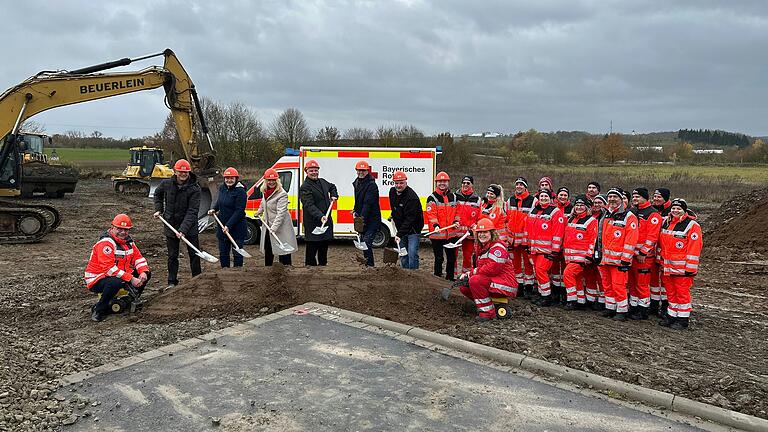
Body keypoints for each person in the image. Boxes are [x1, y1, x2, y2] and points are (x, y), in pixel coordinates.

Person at [84, 214, 150, 322]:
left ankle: (128, 299)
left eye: (126, 230)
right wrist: (131, 279)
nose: (123, 232)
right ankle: (99, 309)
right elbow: (109, 269)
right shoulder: (106, 243)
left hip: (118, 274)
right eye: (119, 229)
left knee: (146, 274)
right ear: (112, 227)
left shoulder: (128, 242)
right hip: (97, 278)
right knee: (115, 282)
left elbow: (138, 258)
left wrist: (143, 272)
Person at [153, 159, 202, 290]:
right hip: (170, 224)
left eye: (185, 172)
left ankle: (197, 279)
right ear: (175, 171)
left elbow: (193, 211)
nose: (183, 174)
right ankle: (172, 281)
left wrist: (183, 229)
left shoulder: (195, 189)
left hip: (189, 227)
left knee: (194, 254)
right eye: (180, 172)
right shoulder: (167, 184)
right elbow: (157, 194)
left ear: (188, 172)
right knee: (172, 255)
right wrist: (159, 209)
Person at [457, 218, 517, 323]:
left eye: (485, 232)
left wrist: (471, 273)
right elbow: (481, 267)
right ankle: (487, 306)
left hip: (505, 283)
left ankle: (488, 313)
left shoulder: (498, 248)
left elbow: (492, 269)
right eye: (480, 232)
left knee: (475, 281)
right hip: (495, 281)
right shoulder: (483, 247)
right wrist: (467, 274)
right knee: (464, 286)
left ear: (492, 233)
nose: (482, 235)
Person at [658, 198, 702, 330]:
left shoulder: (692, 225)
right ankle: (672, 316)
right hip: (667, 267)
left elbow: (694, 248)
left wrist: (690, 268)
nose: (675, 211)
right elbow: (662, 245)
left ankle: (682, 319)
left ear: (684, 210)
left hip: (683, 269)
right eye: (673, 208)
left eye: (678, 209)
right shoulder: (666, 222)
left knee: (682, 294)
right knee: (671, 293)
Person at [597, 187, 639, 321]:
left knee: (618, 286)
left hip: (619, 261)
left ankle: (622, 310)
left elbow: (631, 239)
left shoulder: (629, 216)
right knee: (607, 285)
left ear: (621, 199)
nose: (612, 199)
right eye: (610, 197)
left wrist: (626, 259)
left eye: (615, 197)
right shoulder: (606, 214)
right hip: (605, 259)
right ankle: (610, 307)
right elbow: (600, 236)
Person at [525, 189, 565, 307]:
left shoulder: (555, 212)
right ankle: (542, 294)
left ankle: (546, 297)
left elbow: (558, 232)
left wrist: (555, 250)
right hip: (534, 249)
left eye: (546, 196)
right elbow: (527, 228)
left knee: (541, 270)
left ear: (551, 198)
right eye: (541, 196)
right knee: (537, 271)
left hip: (547, 250)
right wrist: (528, 245)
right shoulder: (534, 210)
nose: (543, 198)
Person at [628, 188, 661, 320]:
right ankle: (634, 307)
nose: (635, 198)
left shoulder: (652, 214)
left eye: (638, 196)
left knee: (642, 284)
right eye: (634, 196)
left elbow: (652, 237)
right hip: (631, 255)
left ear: (645, 198)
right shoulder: (632, 212)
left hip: (643, 257)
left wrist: (643, 252)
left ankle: (643, 310)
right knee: (632, 283)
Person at [299, 160, 338, 266]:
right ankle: (310, 268)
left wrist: (334, 195)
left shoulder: (322, 182)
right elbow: (309, 205)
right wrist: (320, 216)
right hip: (313, 223)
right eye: (311, 170)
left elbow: (332, 186)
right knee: (312, 248)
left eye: (316, 170)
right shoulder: (305, 187)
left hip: (325, 221)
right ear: (306, 171)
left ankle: (322, 266)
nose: (314, 172)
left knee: (324, 246)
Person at [562, 195, 598, 310]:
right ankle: (580, 301)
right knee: (577, 279)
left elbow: (593, 239)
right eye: (577, 205)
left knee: (568, 274)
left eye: (582, 205)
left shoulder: (591, 221)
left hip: (581, 257)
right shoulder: (570, 219)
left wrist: (589, 255)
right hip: (569, 256)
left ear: (587, 207)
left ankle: (572, 300)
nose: (579, 207)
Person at [256, 168, 297, 266]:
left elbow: (281, 213)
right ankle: (268, 268)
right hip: (268, 226)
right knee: (268, 248)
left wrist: (274, 228)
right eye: (269, 180)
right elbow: (263, 203)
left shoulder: (282, 194)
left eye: (273, 180)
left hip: (281, 227)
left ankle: (286, 269)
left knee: (283, 251)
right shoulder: (265, 191)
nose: (271, 182)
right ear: (265, 181)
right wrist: (259, 211)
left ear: (277, 181)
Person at [209, 167, 247, 268]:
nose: (229, 180)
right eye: (227, 178)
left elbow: (239, 211)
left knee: (237, 253)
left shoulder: (240, 191)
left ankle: (238, 274)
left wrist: (229, 225)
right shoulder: (222, 188)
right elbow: (220, 202)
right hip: (223, 227)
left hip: (237, 228)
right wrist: (214, 209)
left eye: (231, 178)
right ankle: (225, 273)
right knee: (223, 254)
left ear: (236, 179)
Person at [505, 177, 536, 298]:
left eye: (521, 185)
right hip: (512, 240)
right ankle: (519, 286)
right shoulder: (510, 200)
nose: (518, 186)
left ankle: (528, 287)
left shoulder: (533, 201)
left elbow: (534, 221)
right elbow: (506, 218)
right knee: (515, 264)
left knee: (528, 264)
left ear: (525, 187)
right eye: (517, 184)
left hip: (525, 239)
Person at [427, 171, 459, 280]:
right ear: (436, 183)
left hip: (451, 234)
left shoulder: (453, 197)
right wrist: (436, 225)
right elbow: (431, 214)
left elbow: (457, 212)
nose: (442, 183)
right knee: (439, 258)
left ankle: (449, 278)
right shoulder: (432, 198)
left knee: (451, 258)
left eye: (444, 181)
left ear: (448, 182)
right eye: (440, 181)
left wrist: (456, 221)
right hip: (437, 235)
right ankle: (438, 278)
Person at [389, 170, 424, 269]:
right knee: (403, 253)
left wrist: (399, 234)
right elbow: (395, 207)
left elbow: (410, 219)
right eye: (396, 183)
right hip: (401, 228)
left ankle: (413, 275)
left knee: (412, 253)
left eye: (401, 183)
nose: (398, 185)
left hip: (413, 229)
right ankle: (405, 274)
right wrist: (393, 215)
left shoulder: (411, 197)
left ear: (406, 182)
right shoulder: (392, 192)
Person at [352, 160, 381, 266]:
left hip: (372, 219)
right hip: (363, 217)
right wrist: (355, 209)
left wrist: (361, 219)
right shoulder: (357, 182)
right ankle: (368, 263)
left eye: (363, 170)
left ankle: (370, 265)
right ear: (356, 171)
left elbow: (367, 203)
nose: (361, 172)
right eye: (359, 170)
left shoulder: (371, 185)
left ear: (367, 171)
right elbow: (358, 200)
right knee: (364, 241)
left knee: (367, 241)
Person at [650, 187, 672, 315]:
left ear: (666, 198)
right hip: (653, 249)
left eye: (659, 197)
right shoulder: (652, 210)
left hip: (666, 250)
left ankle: (665, 306)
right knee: (652, 280)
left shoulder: (672, 210)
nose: (656, 199)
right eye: (655, 196)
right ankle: (653, 305)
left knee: (665, 281)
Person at [455, 175, 482, 274]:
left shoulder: (477, 199)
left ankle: (465, 275)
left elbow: (479, 217)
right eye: (464, 183)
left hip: (469, 234)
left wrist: (474, 228)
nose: (465, 185)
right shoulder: (455, 197)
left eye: (468, 183)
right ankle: (453, 276)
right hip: (456, 233)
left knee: (468, 257)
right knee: (454, 256)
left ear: (472, 185)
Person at [550, 187, 573, 303]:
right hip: (554, 243)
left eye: (565, 195)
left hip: (567, 244)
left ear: (568, 197)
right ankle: (555, 291)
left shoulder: (572, 209)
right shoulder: (553, 209)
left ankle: (564, 294)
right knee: (554, 269)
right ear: (557, 196)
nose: (563, 197)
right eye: (561, 195)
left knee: (565, 269)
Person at [586, 194, 608, 309]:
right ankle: (590, 298)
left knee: (601, 276)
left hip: (601, 249)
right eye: (595, 203)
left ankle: (602, 300)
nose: (597, 205)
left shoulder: (607, 216)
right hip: (590, 249)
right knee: (590, 275)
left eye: (600, 203)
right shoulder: (589, 215)